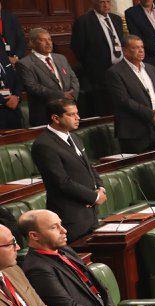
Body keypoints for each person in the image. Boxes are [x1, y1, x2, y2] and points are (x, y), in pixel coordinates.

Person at [31, 101, 106, 243]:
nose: (78, 118)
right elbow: (61, 182)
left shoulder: (74, 137)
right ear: (55, 118)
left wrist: (100, 187)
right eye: (72, 115)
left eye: (77, 113)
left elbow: (88, 166)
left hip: (90, 214)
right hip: (71, 217)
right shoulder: (44, 145)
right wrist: (93, 197)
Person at [18, 29, 78, 127]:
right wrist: (62, 95)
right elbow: (32, 87)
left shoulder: (61, 58)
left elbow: (73, 78)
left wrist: (73, 94)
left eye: (49, 39)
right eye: (42, 40)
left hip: (69, 110)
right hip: (44, 113)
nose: (48, 43)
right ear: (32, 43)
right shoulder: (25, 63)